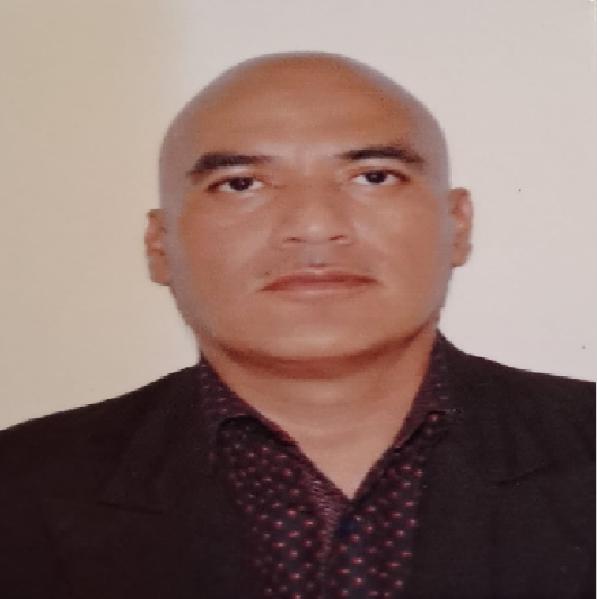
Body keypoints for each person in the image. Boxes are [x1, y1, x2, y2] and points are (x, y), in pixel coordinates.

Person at [0, 52, 593, 599]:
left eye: (374, 176)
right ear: (160, 246)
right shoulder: (20, 488)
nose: (313, 226)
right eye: (241, 185)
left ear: (457, 225)